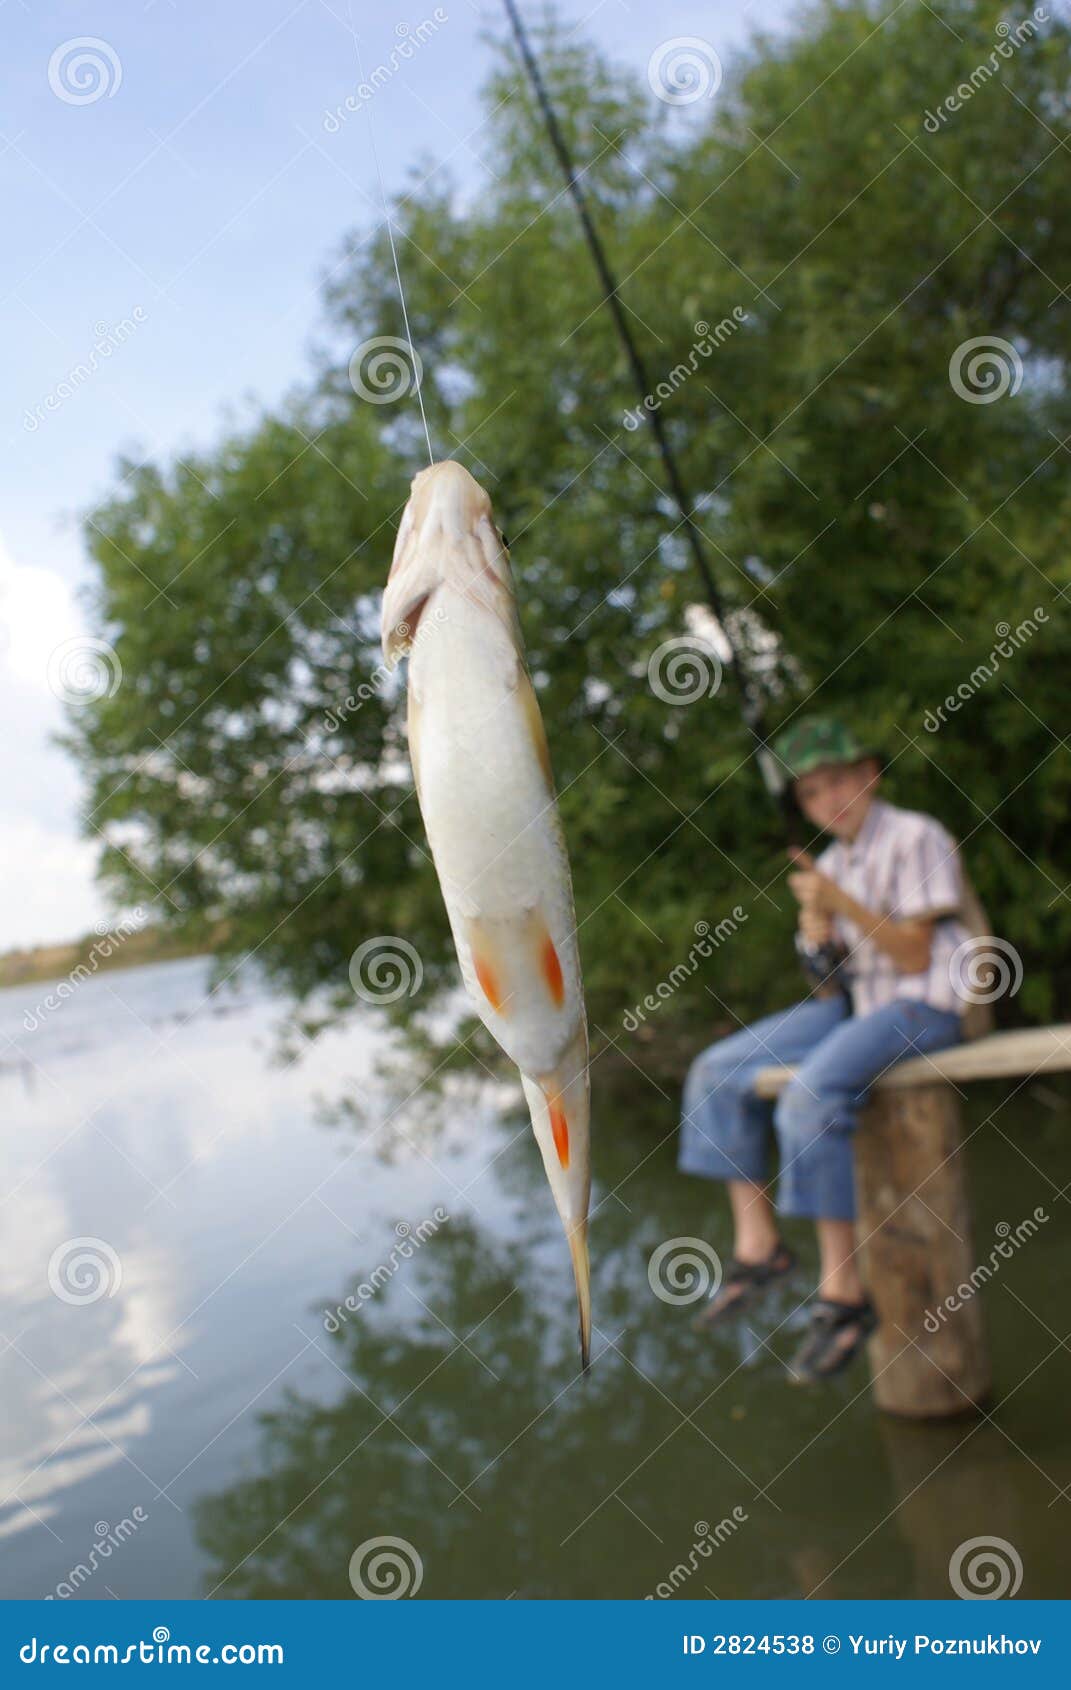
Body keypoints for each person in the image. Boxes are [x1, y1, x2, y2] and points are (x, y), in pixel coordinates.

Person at [678, 713, 971, 1383]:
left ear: (868, 776)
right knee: (713, 1072)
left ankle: (843, 1295)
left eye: (837, 783)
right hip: (856, 1005)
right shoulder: (833, 863)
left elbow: (912, 952)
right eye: (810, 794)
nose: (826, 803)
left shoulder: (914, 837)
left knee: (809, 1099)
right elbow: (828, 987)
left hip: (925, 1002)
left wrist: (838, 901)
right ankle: (760, 1249)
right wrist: (816, 934)